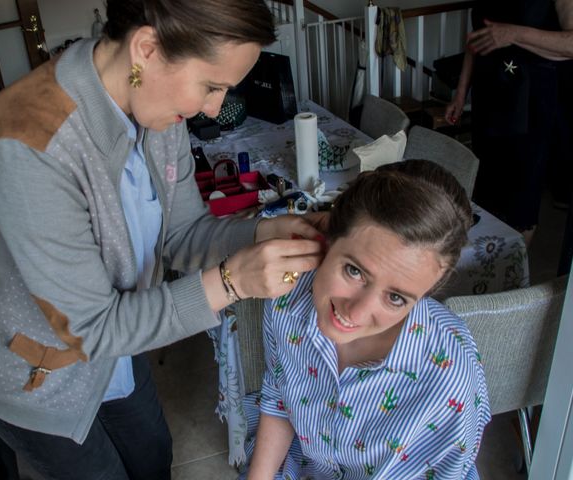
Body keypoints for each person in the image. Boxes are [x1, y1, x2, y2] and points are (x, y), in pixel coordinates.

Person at [0, 1, 325, 479]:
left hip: (120, 340)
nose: (212, 108)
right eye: (211, 86)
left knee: (151, 455)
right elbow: (94, 329)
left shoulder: (156, 109)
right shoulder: (27, 146)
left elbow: (182, 234)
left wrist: (263, 230)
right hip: (29, 368)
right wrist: (232, 282)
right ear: (146, 48)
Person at [244, 160, 491, 479]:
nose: (355, 313)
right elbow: (280, 397)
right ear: (327, 238)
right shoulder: (287, 298)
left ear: (427, 291)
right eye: (354, 271)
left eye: (396, 298)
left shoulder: (449, 376)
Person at [444, 0, 573, 243]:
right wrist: (461, 93)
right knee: (485, 187)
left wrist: (513, 33)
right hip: (488, 97)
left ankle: (514, 274)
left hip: (531, 102)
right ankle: (487, 264)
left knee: (520, 200)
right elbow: (476, 40)